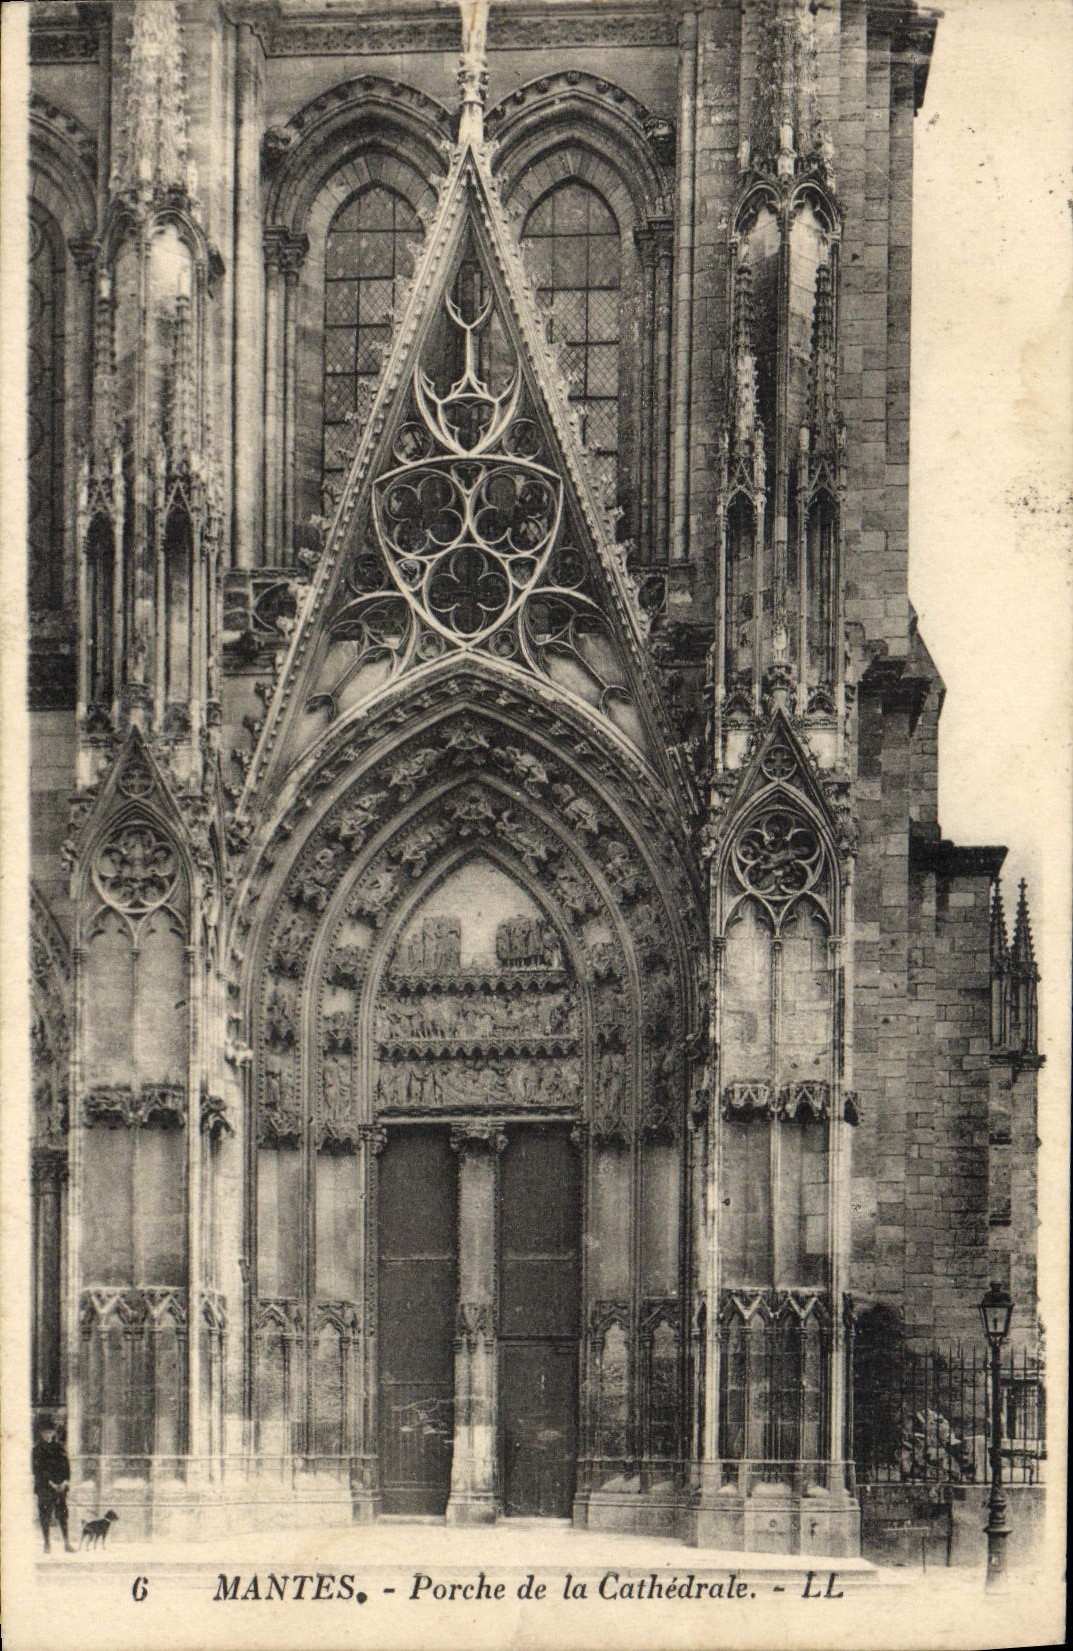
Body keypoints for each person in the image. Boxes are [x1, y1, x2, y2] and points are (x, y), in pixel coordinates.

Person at [32, 1420, 74, 1553]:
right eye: (45, 1433)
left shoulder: (60, 1448)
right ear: (41, 1434)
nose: (48, 1435)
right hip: (45, 1488)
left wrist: (65, 1481)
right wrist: (51, 1484)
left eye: (50, 1432)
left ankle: (67, 1543)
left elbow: (66, 1466)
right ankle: (47, 1544)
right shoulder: (37, 1450)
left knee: (62, 1515)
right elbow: (37, 1470)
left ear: (54, 1433)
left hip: (61, 1487)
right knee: (45, 1515)